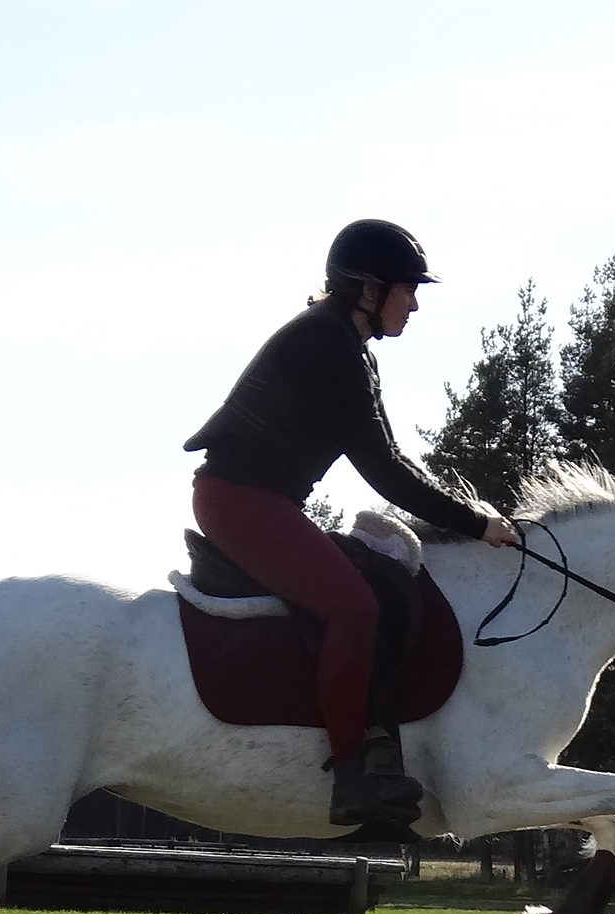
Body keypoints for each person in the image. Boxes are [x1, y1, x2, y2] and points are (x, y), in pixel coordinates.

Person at [186, 219, 517, 828]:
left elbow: (392, 455)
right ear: (367, 288)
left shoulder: (347, 346)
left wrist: (476, 516)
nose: (414, 303)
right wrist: (476, 524)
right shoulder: (327, 346)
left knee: (379, 579)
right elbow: (385, 472)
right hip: (240, 500)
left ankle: (378, 741)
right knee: (354, 609)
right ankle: (351, 774)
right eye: (407, 288)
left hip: (261, 499)